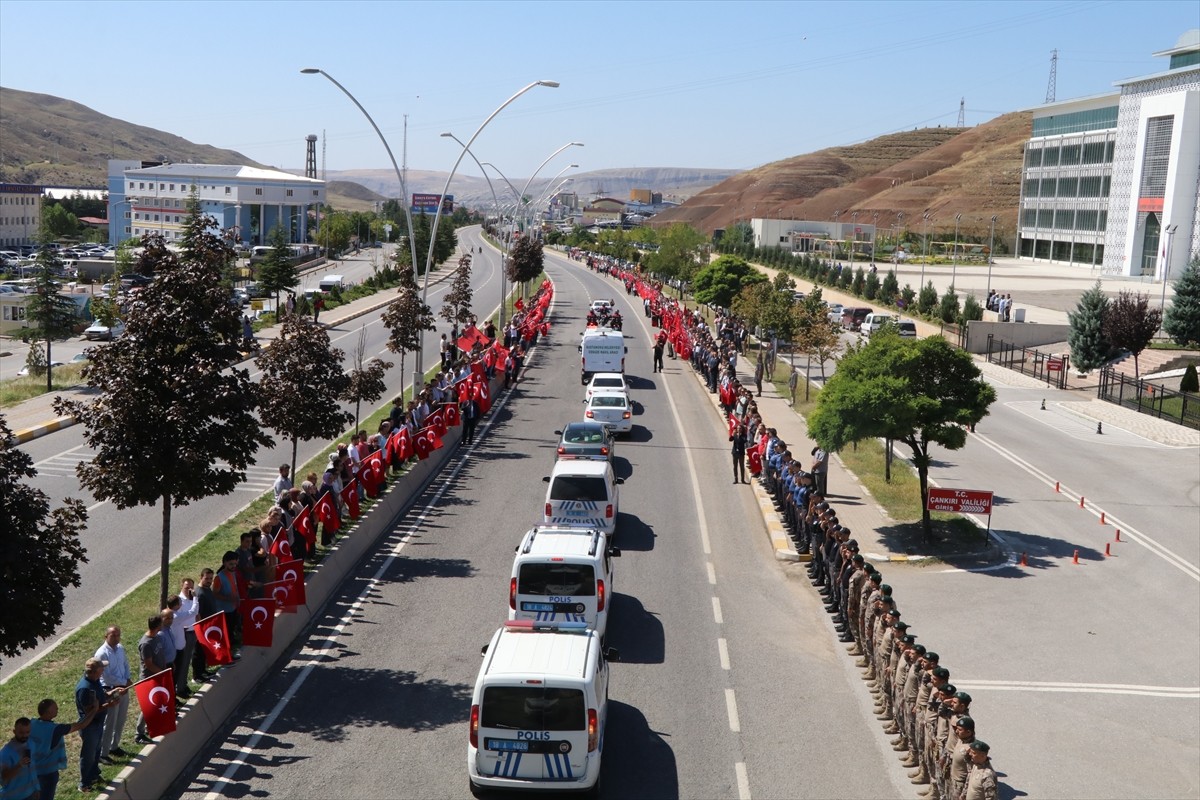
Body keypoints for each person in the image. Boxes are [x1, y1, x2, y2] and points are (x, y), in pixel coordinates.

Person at [30, 697, 100, 799]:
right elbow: (81, 725)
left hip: (32, 771)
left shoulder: (31, 723)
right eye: (55, 708)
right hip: (48, 773)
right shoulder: (56, 729)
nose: (58, 709)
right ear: (48, 712)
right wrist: (94, 711)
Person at [75, 658, 118, 792]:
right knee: (88, 755)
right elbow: (89, 711)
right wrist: (108, 705)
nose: (103, 670)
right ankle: (84, 784)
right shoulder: (85, 689)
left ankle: (94, 775)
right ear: (93, 672)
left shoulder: (95, 681)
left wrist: (109, 694)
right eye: (101, 669)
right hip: (90, 726)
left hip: (98, 724)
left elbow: (100, 696)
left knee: (96, 751)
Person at [93, 627, 131, 762]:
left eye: (118, 635)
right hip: (111, 690)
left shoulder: (120, 648)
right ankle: (103, 752)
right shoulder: (102, 653)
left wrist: (127, 679)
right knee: (110, 721)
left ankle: (114, 746)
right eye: (113, 635)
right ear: (106, 636)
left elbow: (125, 665)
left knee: (121, 719)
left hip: (124, 688)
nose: (116, 638)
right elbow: (107, 677)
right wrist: (123, 682)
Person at [134, 617, 167, 744]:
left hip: (158, 674)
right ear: (158, 626)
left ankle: (151, 727)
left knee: (156, 702)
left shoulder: (156, 637)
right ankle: (139, 734)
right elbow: (148, 664)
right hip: (149, 678)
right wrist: (162, 672)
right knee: (147, 706)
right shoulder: (146, 643)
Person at [172, 584, 199, 700]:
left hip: (187, 636)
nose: (190, 590)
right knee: (181, 666)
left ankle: (183, 686)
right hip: (180, 643)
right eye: (187, 588)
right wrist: (195, 598)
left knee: (186, 662)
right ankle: (179, 689)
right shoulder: (177, 612)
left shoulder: (189, 601)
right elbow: (193, 612)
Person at [0, 719, 37, 800]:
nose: (24, 735)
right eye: (21, 733)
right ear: (14, 731)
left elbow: (33, 770)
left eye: (27, 732)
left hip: (31, 794)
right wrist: (19, 766)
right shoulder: (5, 753)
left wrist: (37, 788)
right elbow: (4, 777)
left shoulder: (31, 744)